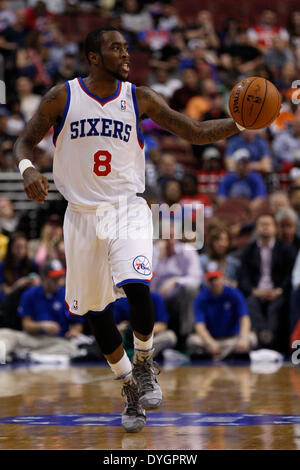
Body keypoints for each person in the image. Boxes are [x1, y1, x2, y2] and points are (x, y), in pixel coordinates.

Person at [13, 26, 254, 433]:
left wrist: (241, 123)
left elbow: (193, 132)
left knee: (138, 285)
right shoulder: (62, 96)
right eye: (116, 48)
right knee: (96, 313)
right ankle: (128, 388)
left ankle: (144, 362)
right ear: (93, 56)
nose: (126, 54)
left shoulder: (138, 97)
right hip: (81, 215)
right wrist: (28, 168)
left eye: (127, 48)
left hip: (127, 208)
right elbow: (24, 142)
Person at [0, 259, 82, 362]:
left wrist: (74, 331)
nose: (58, 281)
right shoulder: (29, 294)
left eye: (60, 277)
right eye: (54, 278)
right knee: (5, 334)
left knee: (71, 348)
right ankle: (8, 356)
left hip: (57, 340)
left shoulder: (67, 295)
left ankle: (29, 355)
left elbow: (78, 323)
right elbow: (26, 324)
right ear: (44, 277)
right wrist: (42, 326)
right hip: (32, 338)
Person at [238, 213, 295, 351]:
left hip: (278, 291)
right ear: (256, 229)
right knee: (251, 302)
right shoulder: (248, 250)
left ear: (275, 228)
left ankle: (269, 336)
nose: (265, 228)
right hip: (256, 292)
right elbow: (243, 276)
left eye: (268, 224)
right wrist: (254, 291)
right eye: (261, 225)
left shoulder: (286, 249)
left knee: (276, 305)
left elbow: (291, 275)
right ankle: (263, 333)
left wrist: (279, 290)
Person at [186, 270, 254, 360]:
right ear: (207, 282)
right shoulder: (201, 298)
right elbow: (199, 325)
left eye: (216, 278)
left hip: (232, 338)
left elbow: (244, 319)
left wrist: (243, 338)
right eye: (211, 280)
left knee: (251, 338)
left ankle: (217, 356)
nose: (214, 282)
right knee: (192, 341)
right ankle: (227, 355)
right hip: (212, 340)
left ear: (223, 278)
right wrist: (210, 342)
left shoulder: (235, 294)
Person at [114, 292, 177, 359]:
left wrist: (141, 331)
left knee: (170, 336)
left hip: (151, 337)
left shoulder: (155, 297)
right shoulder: (121, 301)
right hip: (129, 339)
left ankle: (140, 357)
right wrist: (122, 328)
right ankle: (138, 357)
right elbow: (112, 327)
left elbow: (162, 325)